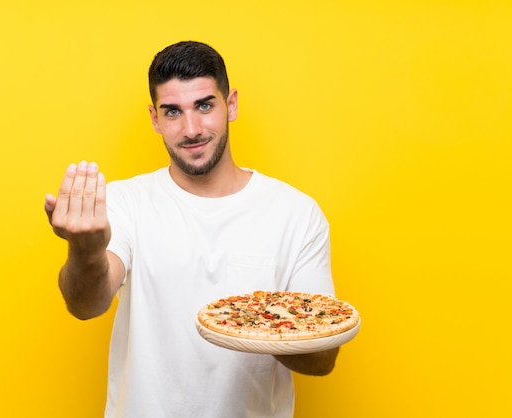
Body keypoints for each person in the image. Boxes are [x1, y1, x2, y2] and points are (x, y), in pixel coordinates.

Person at [45, 41, 340, 418]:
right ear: (155, 119)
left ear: (230, 104)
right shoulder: (125, 202)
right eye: (172, 112)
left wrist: (254, 319)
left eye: (204, 105)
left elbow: (322, 359)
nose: (192, 129)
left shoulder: (297, 214)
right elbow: (86, 304)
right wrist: (85, 251)